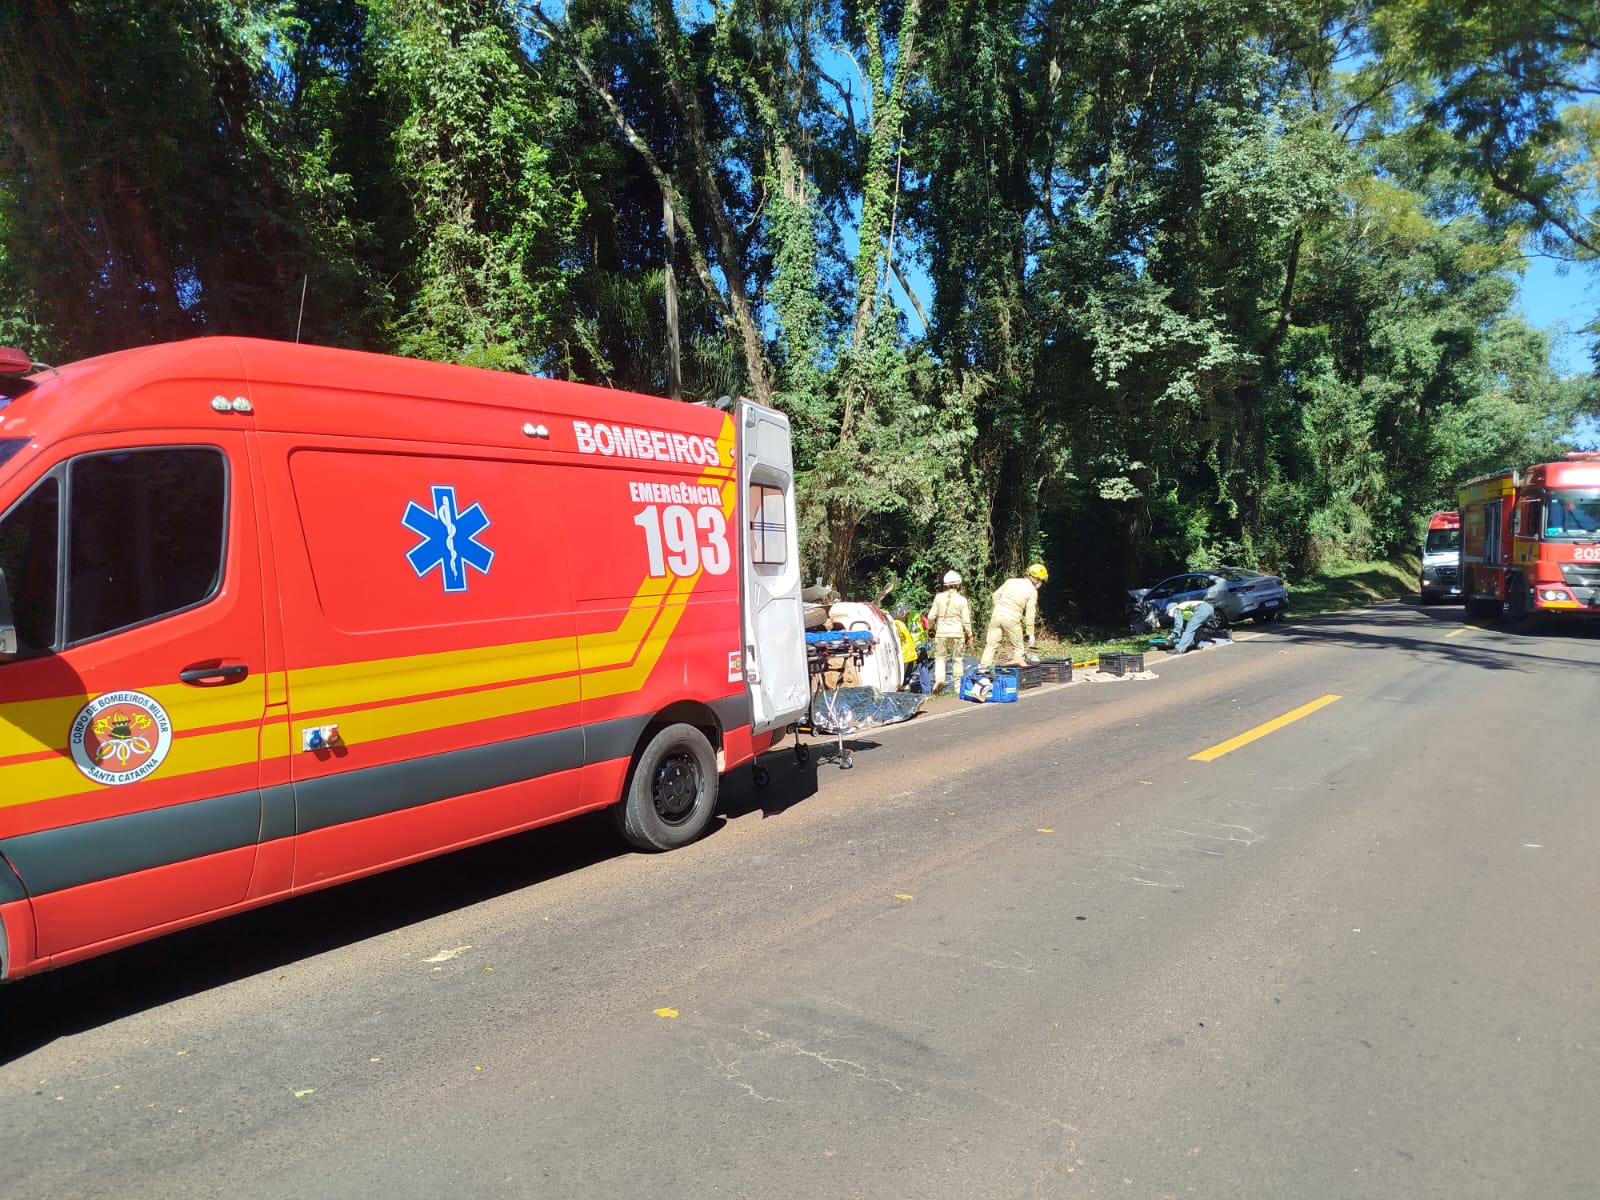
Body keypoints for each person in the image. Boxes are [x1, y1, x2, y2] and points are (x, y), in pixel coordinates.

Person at [979, 563, 1047, 669]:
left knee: (990, 646)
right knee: (1019, 648)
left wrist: (1000, 608)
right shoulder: (1032, 591)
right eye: (1041, 580)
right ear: (1035, 579)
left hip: (996, 616)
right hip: (1012, 619)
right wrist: (1030, 633)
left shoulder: (1011, 581)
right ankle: (1016, 674)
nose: (1040, 583)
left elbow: (995, 595)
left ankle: (982, 670)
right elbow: (1030, 615)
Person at [926, 570, 974, 693]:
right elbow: (966, 620)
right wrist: (970, 634)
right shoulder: (962, 600)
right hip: (957, 633)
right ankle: (958, 687)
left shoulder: (938, 597)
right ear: (958, 584)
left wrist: (930, 628)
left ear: (945, 585)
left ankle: (940, 679)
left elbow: (931, 617)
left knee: (940, 658)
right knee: (957, 660)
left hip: (941, 633)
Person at [1168, 575, 1229, 654]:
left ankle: (1180, 649)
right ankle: (1202, 644)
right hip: (1208, 608)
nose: (1171, 615)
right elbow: (1186, 622)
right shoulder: (1183, 608)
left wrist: (1173, 635)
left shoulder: (1176, 609)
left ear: (1170, 609)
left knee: (1190, 629)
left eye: (1169, 613)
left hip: (1202, 609)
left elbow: (1178, 625)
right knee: (1194, 628)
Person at [891, 605, 919, 689]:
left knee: (903, 677)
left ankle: (902, 692)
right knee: (905, 677)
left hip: (905, 654)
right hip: (909, 653)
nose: (906, 616)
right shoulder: (899, 624)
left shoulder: (896, 624)